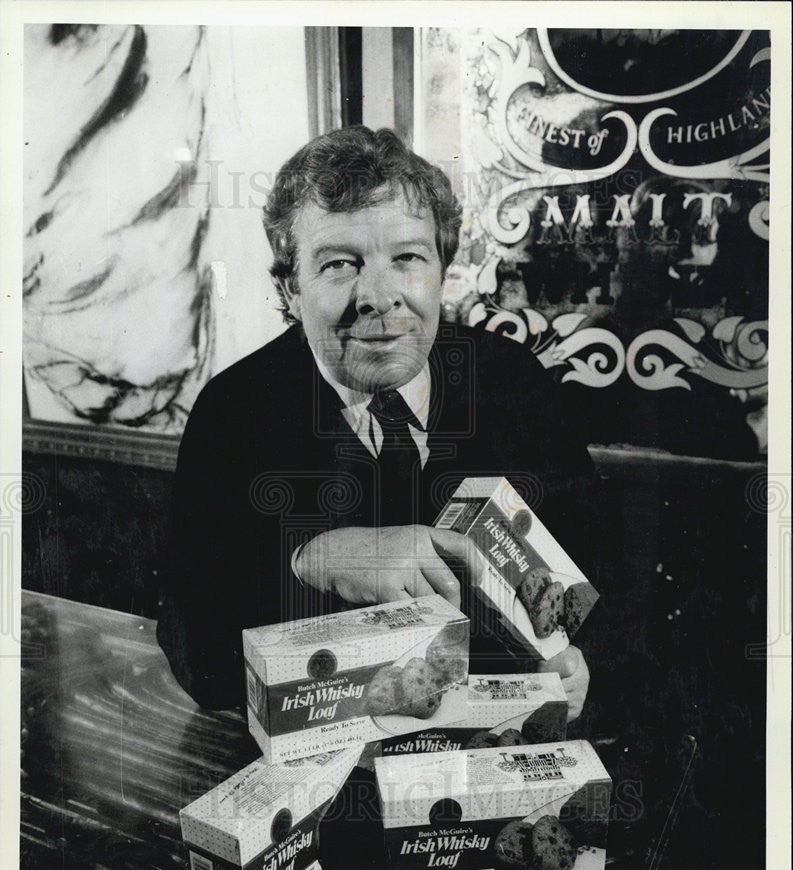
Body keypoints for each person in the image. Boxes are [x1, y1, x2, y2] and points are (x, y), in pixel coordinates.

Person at [157, 126, 596, 718]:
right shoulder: (232, 412)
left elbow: (597, 572)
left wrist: (578, 662)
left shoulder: (513, 381)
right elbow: (196, 654)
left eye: (408, 258)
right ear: (291, 290)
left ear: (442, 270)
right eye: (340, 264)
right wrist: (310, 557)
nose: (379, 297)